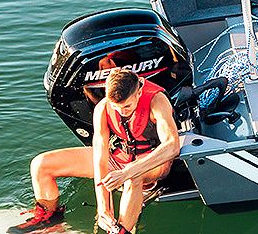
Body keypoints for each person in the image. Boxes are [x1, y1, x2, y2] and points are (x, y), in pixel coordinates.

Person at [9, 68, 180, 234]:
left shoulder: (156, 100)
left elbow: (172, 146)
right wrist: (103, 207)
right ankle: (49, 219)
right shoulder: (103, 108)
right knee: (41, 164)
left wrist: (129, 171)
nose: (122, 112)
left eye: (127, 107)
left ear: (138, 93)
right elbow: (100, 159)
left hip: (152, 162)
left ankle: (120, 231)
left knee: (132, 177)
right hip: (118, 157)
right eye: (116, 107)